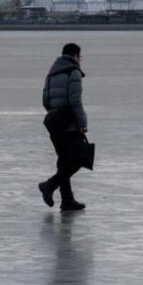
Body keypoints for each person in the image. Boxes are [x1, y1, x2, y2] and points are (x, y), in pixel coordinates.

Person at [38, 43, 88, 212]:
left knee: (64, 160)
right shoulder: (73, 72)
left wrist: (55, 112)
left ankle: (67, 200)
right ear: (75, 55)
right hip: (69, 123)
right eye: (80, 56)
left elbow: (45, 99)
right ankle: (49, 185)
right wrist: (82, 123)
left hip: (53, 121)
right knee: (79, 158)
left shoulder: (51, 73)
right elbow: (75, 100)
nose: (80, 60)